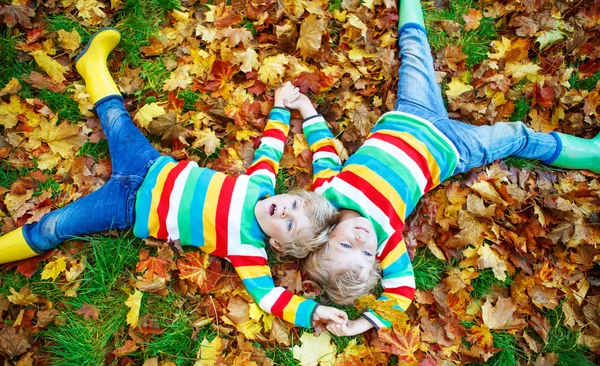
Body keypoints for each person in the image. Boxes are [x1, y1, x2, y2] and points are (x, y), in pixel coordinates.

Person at [288, 0, 600, 336]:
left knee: (414, 49)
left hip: (411, 112)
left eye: (346, 245)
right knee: (518, 136)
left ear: (324, 237)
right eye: (365, 252)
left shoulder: (329, 195)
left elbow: (323, 152)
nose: (362, 239)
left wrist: (307, 109)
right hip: (454, 147)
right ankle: (592, 155)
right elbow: (401, 292)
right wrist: (358, 325)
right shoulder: (385, 236)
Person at [0, 28, 346, 329]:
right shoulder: (260, 185)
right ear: (290, 194)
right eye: (294, 205)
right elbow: (270, 149)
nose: (284, 212)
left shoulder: (247, 249)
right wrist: (282, 108)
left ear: (278, 246)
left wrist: (313, 314)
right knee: (115, 116)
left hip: (127, 207)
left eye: (289, 225)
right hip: (148, 164)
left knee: (55, 227)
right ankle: (91, 64)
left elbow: (269, 296)